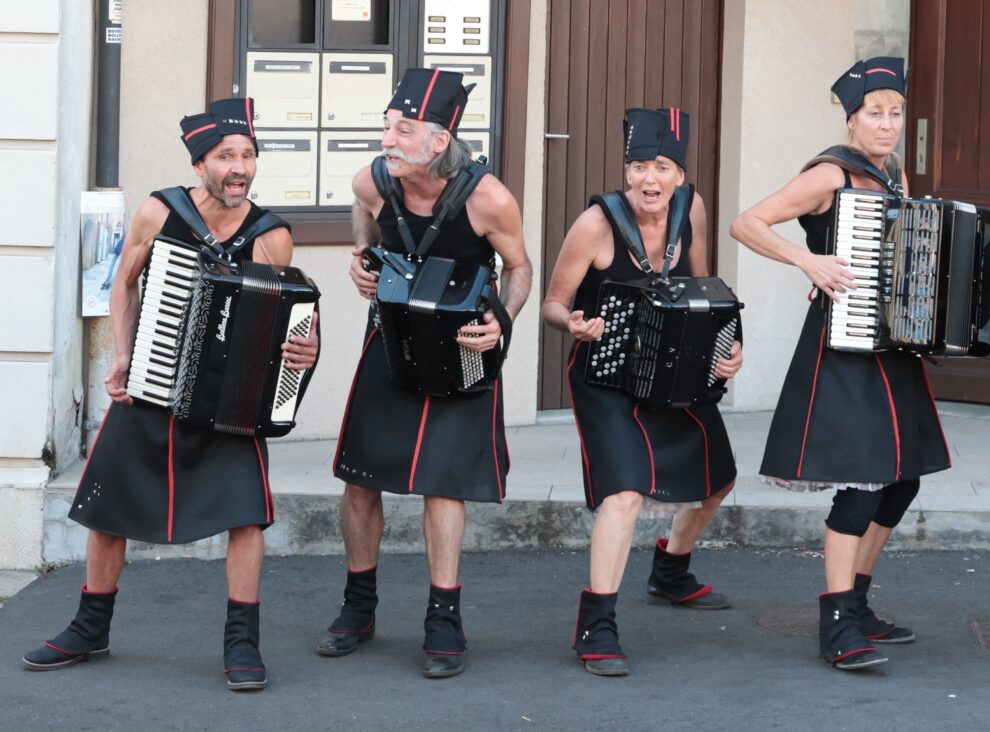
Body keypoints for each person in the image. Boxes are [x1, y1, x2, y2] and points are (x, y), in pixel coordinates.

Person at [22, 98, 319, 691]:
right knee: (108, 507)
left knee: (246, 519)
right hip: (149, 389)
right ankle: (90, 626)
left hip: (228, 407)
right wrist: (125, 355)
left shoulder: (271, 235)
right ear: (200, 164)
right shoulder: (161, 211)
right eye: (226, 157)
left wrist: (304, 351)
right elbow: (124, 287)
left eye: (248, 156)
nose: (241, 168)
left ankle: (242, 643)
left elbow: (290, 321)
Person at [733, 57, 990, 671]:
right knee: (862, 485)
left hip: (892, 350)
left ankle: (855, 601)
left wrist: (971, 285)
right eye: (874, 114)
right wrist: (808, 262)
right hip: (844, 347)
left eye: (894, 113)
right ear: (851, 118)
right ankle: (834, 622)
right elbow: (746, 222)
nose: (886, 124)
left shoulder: (893, 176)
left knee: (901, 479)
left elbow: (914, 266)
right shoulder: (830, 173)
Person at [318, 68, 533, 679]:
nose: (388, 138)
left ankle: (444, 617)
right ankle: (358, 608)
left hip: (463, 344)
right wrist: (362, 254)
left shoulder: (488, 198)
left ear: (439, 141)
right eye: (388, 125)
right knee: (361, 478)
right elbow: (360, 207)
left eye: (403, 128)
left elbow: (520, 268)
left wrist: (503, 321)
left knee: (444, 482)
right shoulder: (376, 178)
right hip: (389, 335)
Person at [541, 107, 744, 677]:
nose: (648, 180)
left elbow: (708, 292)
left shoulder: (691, 209)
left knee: (718, 479)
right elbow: (553, 304)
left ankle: (670, 571)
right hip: (605, 375)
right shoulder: (596, 225)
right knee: (624, 493)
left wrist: (728, 347)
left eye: (661, 166)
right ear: (625, 170)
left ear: (679, 174)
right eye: (637, 166)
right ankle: (596, 623)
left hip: (673, 365)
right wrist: (573, 323)